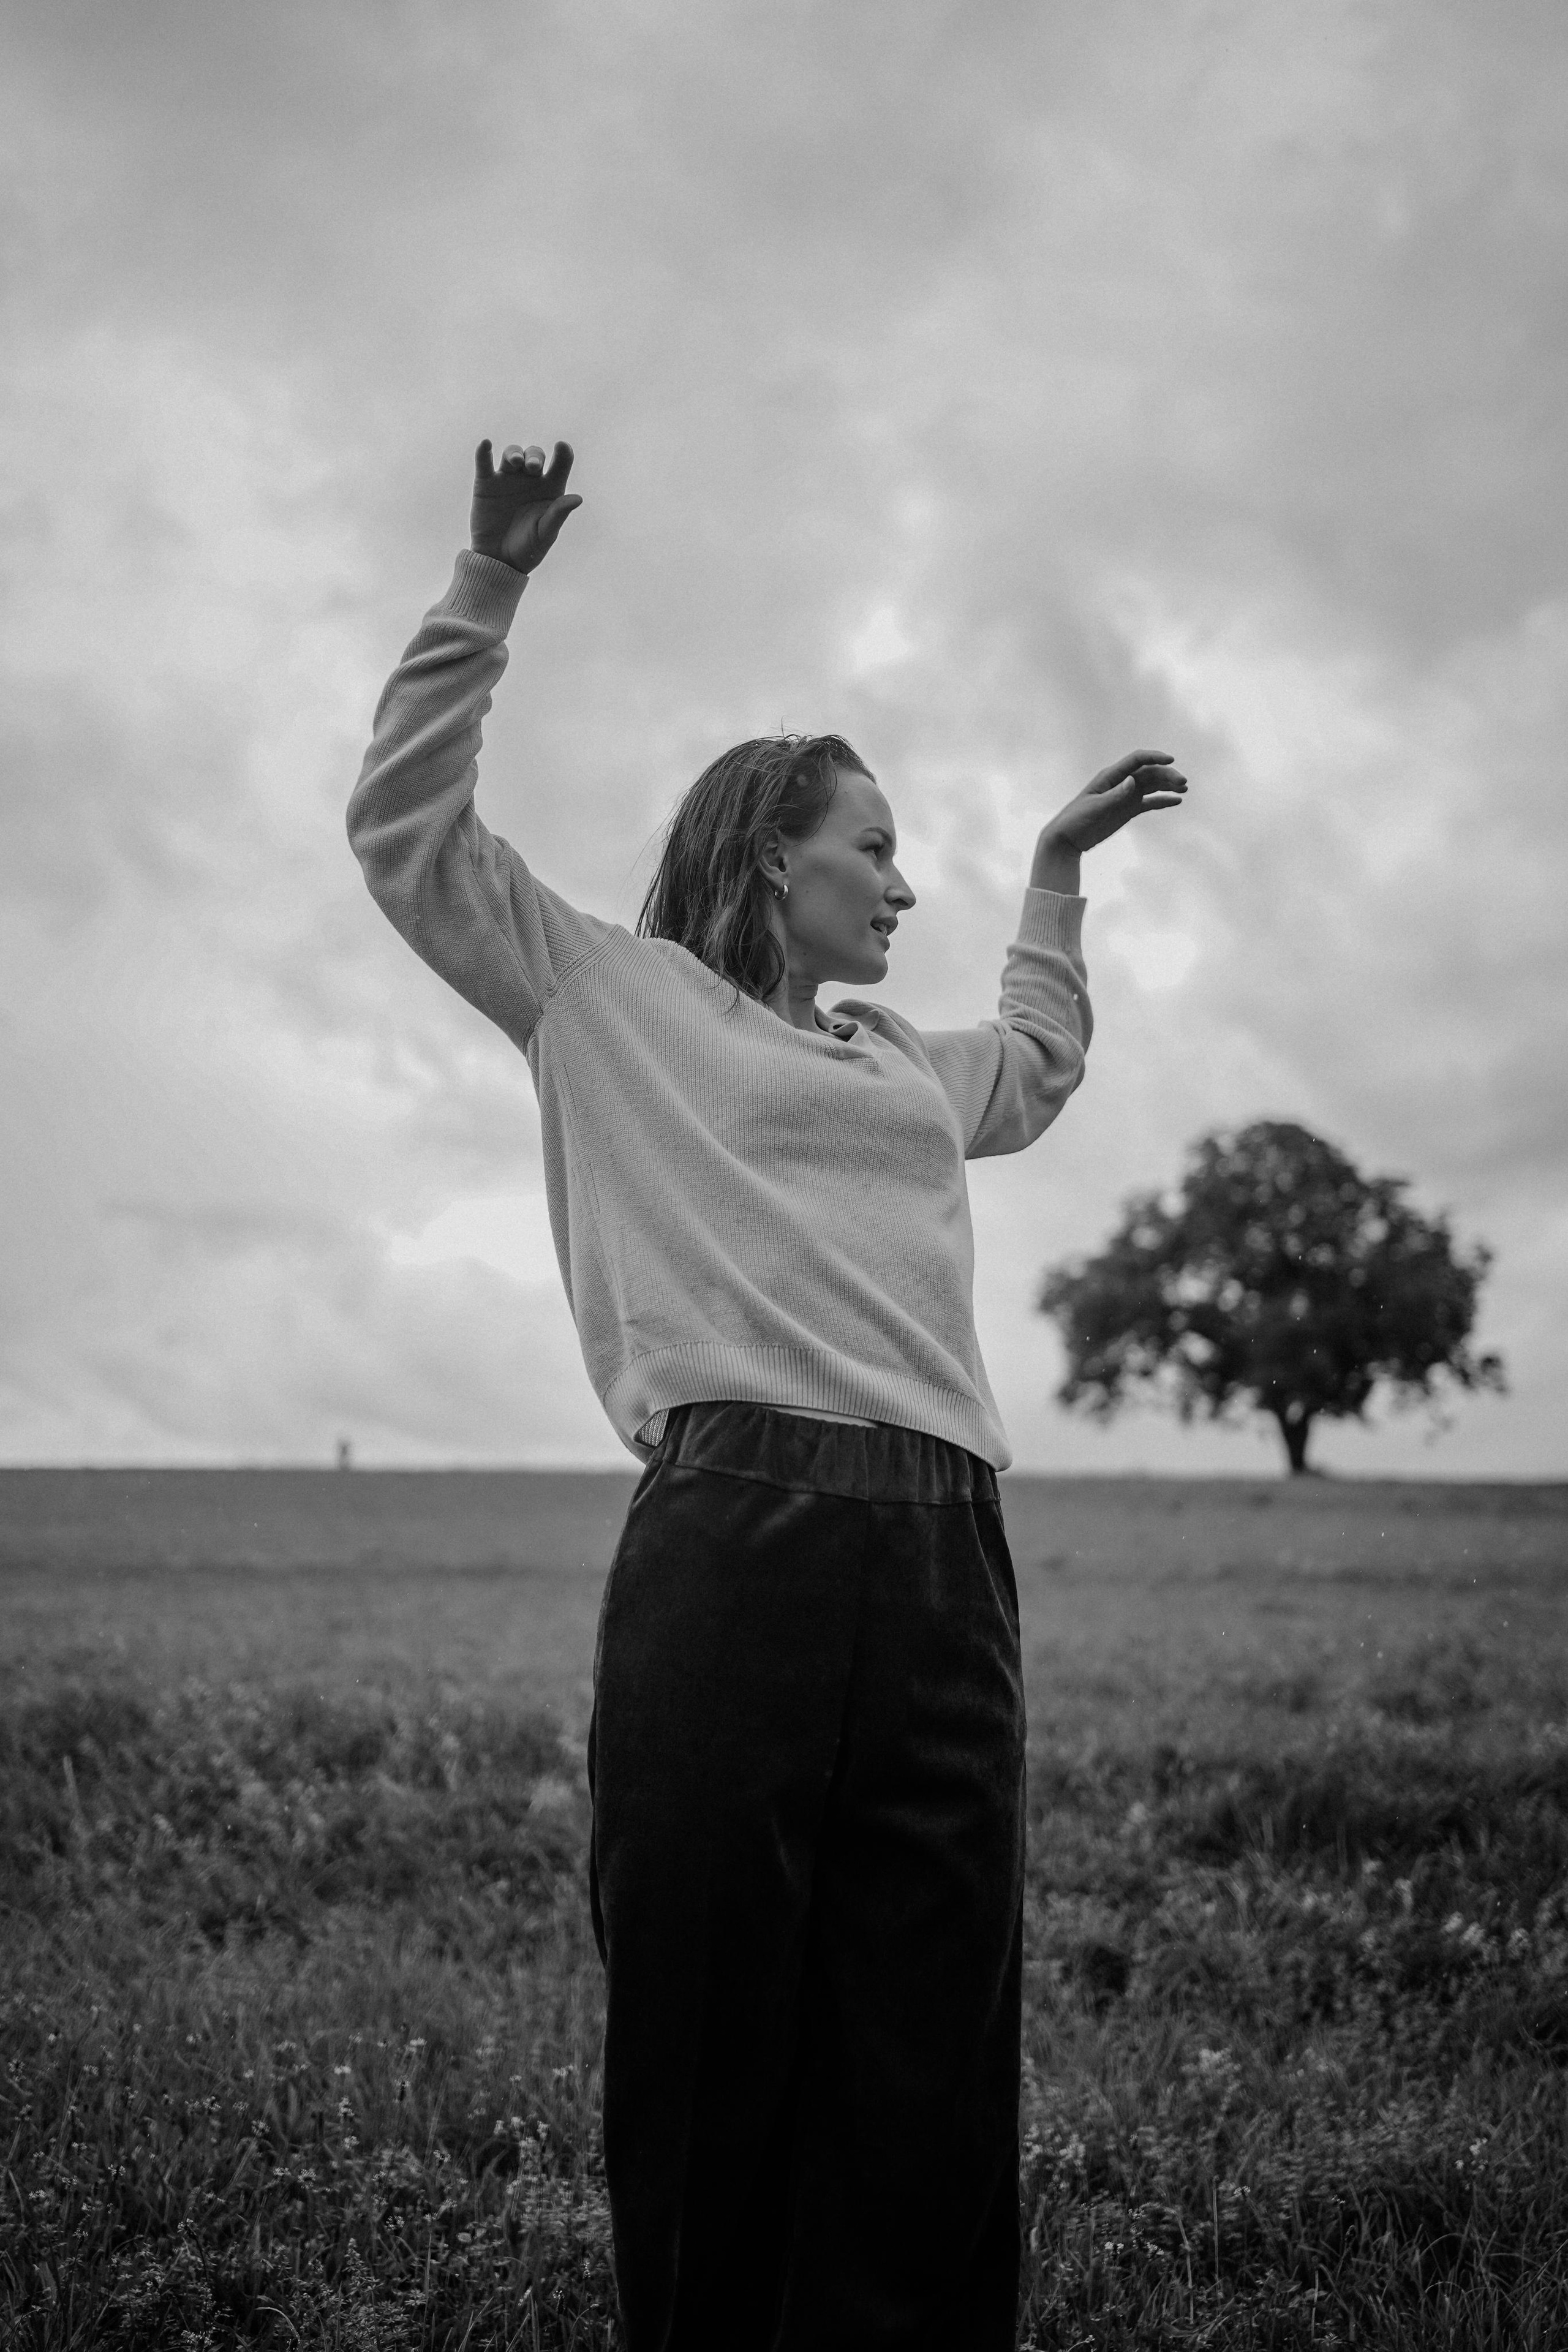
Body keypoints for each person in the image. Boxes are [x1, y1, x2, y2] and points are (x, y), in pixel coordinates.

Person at [347, 436, 1187, 2350]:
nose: (902, 883)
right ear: (767, 856)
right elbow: (408, 835)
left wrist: (1056, 880)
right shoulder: (609, 998)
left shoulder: (902, 1063)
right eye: (872, 847)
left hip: (946, 1566)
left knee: (929, 2048)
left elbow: (1037, 1065)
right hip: (735, 1545)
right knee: (710, 2027)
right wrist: (487, 585)